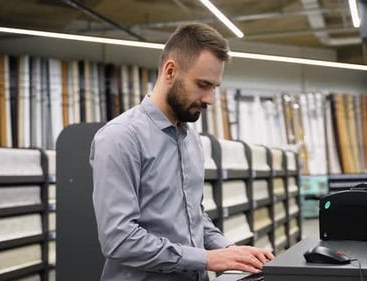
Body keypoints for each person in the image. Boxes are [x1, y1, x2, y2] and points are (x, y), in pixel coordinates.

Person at [90, 23, 274, 281]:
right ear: (170, 71)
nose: (210, 99)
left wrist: (229, 250)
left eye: (214, 87)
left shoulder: (191, 139)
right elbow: (119, 240)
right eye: (202, 84)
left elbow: (193, 218)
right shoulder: (120, 137)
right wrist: (207, 258)